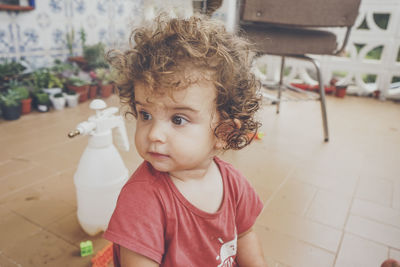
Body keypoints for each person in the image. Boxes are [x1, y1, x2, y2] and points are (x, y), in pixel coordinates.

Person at [103, 13, 267, 267]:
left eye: (178, 119)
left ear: (223, 133)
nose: (154, 134)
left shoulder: (233, 184)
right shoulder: (143, 200)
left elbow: (244, 236)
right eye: (145, 114)